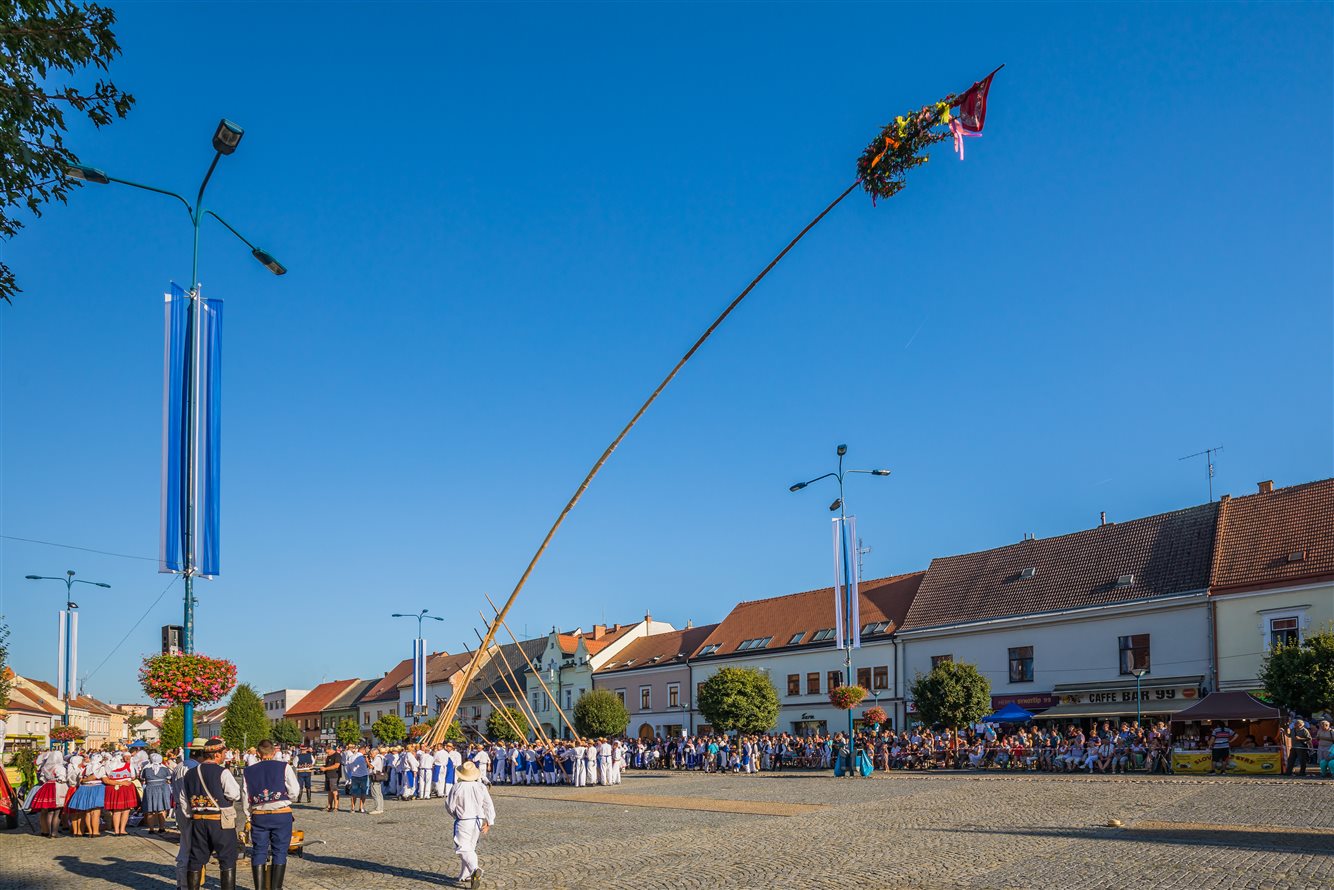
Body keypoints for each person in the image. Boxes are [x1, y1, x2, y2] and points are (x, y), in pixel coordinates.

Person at [181, 737, 241, 890]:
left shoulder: (189, 774)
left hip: (198, 820)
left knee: (196, 859)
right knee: (227, 858)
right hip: (219, 821)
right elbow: (234, 794)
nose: (224, 756)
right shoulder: (222, 772)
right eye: (223, 753)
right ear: (216, 755)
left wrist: (191, 814)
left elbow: (183, 798)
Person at [242, 739, 300, 890]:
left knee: (259, 851)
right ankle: (276, 888)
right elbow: (294, 791)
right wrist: (285, 798)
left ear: (258, 753)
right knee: (280, 851)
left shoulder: (248, 771)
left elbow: (245, 795)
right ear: (274, 752)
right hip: (281, 814)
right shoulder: (284, 767)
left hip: (259, 815)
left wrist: (248, 815)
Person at [445, 761, 495, 888]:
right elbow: (488, 804)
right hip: (478, 819)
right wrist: (489, 821)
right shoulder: (481, 786)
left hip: (464, 819)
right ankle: (465, 874)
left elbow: (450, 805)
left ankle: (474, 869)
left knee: (462, 848)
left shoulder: (457, 787)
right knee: (470, 847)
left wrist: (455, 814)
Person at [26, 749, 69, 837]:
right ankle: (55, 832)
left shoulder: (45, 767)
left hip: (47, 786)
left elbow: (42, 778)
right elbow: (62, 778)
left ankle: (49, 832)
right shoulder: (59, 767)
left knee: (50, 812)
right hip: (57, 787)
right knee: (57, 811)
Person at [103, 751, 140, 835]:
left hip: (113, 787)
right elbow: (133, 776)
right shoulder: (128, 765)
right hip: (126, 787)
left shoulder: (108, 766)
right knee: (126, 810)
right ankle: (122, 829)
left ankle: (116, 830)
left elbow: (106, 777)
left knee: (116, 810)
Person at [141, 752, 174, 834]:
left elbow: (142, 777)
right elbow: (169, 777)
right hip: (162, 789)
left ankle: (151, 829)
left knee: (150, 810)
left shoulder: (146, 768)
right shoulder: (165, 768)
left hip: (150, 789)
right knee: (162, 809)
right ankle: (161, 828)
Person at [344, 743, 371, 813]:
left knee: (354, 793)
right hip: (363, 776)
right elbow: (369, 766)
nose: (366, 752)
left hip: (354, 776)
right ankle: (361, 807)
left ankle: (352, 808)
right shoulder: (363, 758)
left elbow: (348, 768)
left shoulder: (351, 757)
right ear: (363, 750)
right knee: (363, 792)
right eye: (365, 750)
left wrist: (350, 775)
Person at [321, 746, 343, 812]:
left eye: (327, 752)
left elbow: (336, 765)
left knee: (334, 791)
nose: (327, 754)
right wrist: (323, 767)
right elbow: (328, 765)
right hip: (328, 775)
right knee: (329, 791)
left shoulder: (337, 755)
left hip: (334, 775)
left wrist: (326, 768)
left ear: (330, 749)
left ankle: (336, 807)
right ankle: (329, 806)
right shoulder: (329, 756)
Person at [368, 746, 387, 814]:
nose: (370, 755)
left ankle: (377, 808)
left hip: (375, 776)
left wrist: (367, 761)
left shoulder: (377, 758)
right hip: (378, 776)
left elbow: (371, 766)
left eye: (371, 754)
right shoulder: (381, 757)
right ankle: (380, 808)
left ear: (375, 753)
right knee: (379, 793)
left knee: (375, 793)